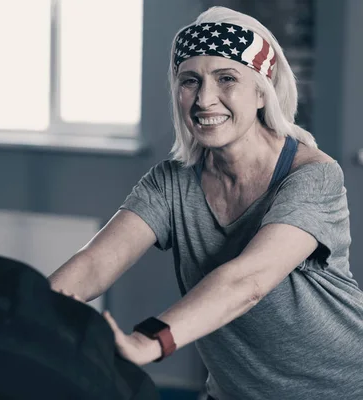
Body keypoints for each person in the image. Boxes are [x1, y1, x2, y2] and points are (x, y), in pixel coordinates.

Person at [48, 6, 363, 400]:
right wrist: (29, 312)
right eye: (189, 81)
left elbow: (247, 282)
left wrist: (149, 342)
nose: (204, 99)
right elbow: (96, 262)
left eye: (226, 78)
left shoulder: (313, 175)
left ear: (262, 92)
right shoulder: (172, 182)